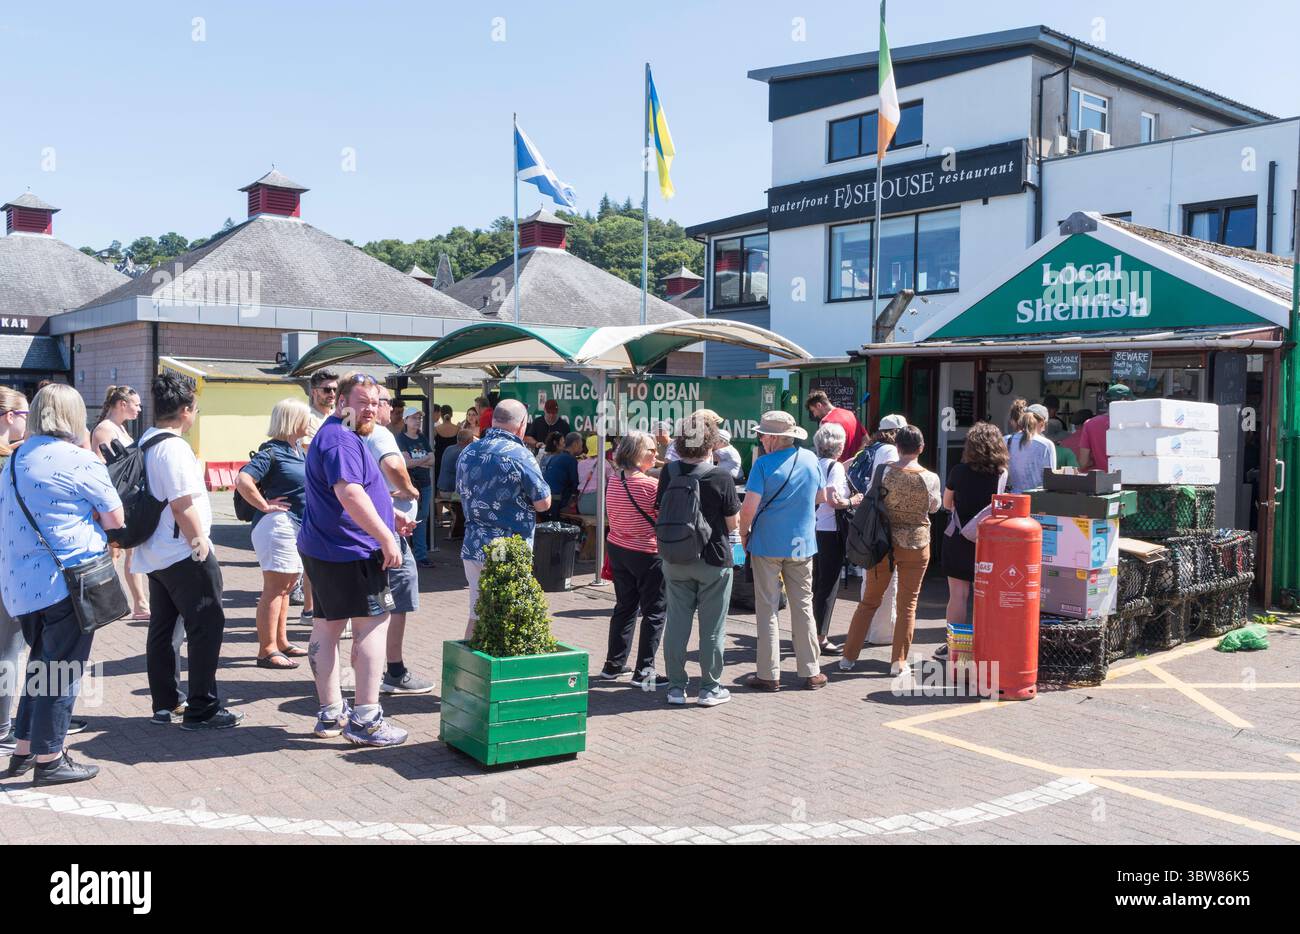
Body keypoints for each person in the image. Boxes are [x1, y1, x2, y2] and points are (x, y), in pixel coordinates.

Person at [0, 385, 124, 784]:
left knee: (41, 664)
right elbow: (115, 519)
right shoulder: (80, 460)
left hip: (21, 585)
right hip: (68, 583)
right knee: (62, 670)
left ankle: (23, 748)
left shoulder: (15, 458)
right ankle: (50, 758)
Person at [298, 372, 409, 746]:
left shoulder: (335, 435)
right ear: (342, 402)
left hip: (327, 548)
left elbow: (354, 493)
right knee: (372, 625)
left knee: (327, 628)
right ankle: (366, 720)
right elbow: (349, 494)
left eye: (375, 402)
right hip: (353, 551)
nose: (371, 409)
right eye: (362, 402)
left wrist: (388, 516)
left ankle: (331, 713)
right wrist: (385, 537)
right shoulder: (342, 439)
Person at [135, 372, 242, 731]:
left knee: (163, 629)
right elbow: (183, 505)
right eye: (195, 408)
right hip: (182, 551)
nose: (195, 415)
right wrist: (201, 546)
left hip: (154, 551)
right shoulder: (175, 448)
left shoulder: (146, 441)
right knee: (206, 626)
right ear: (184, 410)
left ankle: (165, 703)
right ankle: (203, 707)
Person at [839, 425, 941, 680]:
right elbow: (934, 507)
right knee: (908, 604)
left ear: (897, 447)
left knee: (869, 602)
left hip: (882, 542)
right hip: (916, 544)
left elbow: (875, 500)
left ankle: (848, 657)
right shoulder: (930, 478)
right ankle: (898, 661)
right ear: (921, 448)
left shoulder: (884, 471)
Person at [739, 411, 827, 692]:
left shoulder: (762, 465)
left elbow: (749, 508)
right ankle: (812, 670)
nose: (761, 439)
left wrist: (743, 534)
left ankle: (768, 673)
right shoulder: (811, 459)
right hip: (802, 543)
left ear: (775, 438)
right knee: (803, 605)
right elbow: (821, 497)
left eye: (763, 434)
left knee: (767, 607)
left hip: (766, 543)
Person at [657, 414, 741, 707]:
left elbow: (660, 508)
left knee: (677, 624)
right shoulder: (721, 477)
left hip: (675, 555)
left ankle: (676, 687)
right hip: (713, 559)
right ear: (711, 443)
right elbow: (733, 524)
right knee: (713, 627)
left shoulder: (669, 472)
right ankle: (709, 688)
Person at [456, 398, 552, 639]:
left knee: (477, 615)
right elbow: (543, 503)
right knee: (509, 616)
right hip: (508, 548)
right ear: (521, 425)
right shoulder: (521, 456)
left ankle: (469, 673)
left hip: (473, 546)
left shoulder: (468, 451)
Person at [366, 388, 434, 695]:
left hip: (365, 525)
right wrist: (410, 489)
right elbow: (394, 467)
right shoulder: (379, 434)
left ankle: (372, 670)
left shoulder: (341, 432)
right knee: (396, 595)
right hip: (384, 531)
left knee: (370, 603)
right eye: (387, 402)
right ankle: (390, 671)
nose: (391, 408)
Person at [236, 398, 311, 670]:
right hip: (277, 526)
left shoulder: (297, 450)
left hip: (292, 526)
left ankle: (281, 641)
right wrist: (265, 505)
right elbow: (243, 479)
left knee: (286, 587)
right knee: (275, 588)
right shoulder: (273, 451)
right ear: (293, 421)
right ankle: (266, 650)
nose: (309, 422)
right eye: (305, 417)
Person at [600, 431, 667, 687]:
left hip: (618, 548)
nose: (656, 454)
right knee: (654, 612)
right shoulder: (650, 486)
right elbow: (661, 519)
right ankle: (644, 671)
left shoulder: (615, 479)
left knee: (625, 606)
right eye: (651, 450)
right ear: (637, 453)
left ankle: (613, 665)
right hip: (647, 553)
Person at [940, 423, 1009, 659]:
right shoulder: (1001, 474)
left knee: (958, 596)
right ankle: (984, 644)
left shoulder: (958, 471)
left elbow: (946, 504)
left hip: (958, 540)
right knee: (984, 595)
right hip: (988, 543)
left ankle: (955, 648)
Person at [90, 385, 149, 620]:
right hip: (115, 500)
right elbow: (105, 468)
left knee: (131, 553)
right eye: (136, 404)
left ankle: (141, 605)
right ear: (122, 404)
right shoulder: (105, 429)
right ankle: (109, 604)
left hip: (127, 499)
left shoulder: (120, 428)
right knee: (114, 554)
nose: (139, 408)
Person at [811, 422, 860, 656]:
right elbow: (833, 499)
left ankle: (808, 632)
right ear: (840, 446)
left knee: (813, 584)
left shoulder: (812, 463)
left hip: (811, 529)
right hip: (830, 531)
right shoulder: (836, 468)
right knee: (828, 586)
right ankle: (820, 637)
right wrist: (854, 501)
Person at [0, 388, 30, 757]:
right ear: (9, 416)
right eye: (24, 413)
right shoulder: (10, 463)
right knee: (8, 648)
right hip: (8, 563)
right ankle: (3, 726)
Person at [395, 406, 436, 568]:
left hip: (424, 484)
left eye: (419, 418)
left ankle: (421, 555)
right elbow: (406, 463)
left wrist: (417, 462)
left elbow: (433, 460)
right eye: (413, 418)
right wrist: (423, 461)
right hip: (409, 485)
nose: (417, 421)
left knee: (422, 518)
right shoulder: (401, 439)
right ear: (405, 420)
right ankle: (404, 553)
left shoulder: (422, 438)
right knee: (406, 518)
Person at [1079, 384, 1134, 472]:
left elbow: (1083, 463)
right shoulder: (1134, 424)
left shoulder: (1090, 424)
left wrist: (1093, 461)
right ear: (1124, 400)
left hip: (1103, 481)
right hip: (1132, 479)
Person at [1007, 403, 1057, 493]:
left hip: (1011, 499)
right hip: (1037, 500)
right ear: (1042, 423)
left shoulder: (1007, 440)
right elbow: (1050, 479)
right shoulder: (1046, 444)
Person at [805, 390, 866, 461]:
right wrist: (855, 460)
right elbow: (866, 440)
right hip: (855, 467)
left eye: (813, 411)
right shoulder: (850, 414)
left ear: (819, 405)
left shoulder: (826, 422)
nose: (815, 415)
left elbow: (826, 454)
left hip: (837, 468)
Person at [542, 431, 584, 517]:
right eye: (581, 444)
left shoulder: (555, 457)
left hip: (545, 499)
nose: (582, 448)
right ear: (575, 443)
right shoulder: (570, 460)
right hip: (556, 502)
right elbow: (575, 484)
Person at [438, 428, 474, 493]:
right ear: (469, 441)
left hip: (442, 488)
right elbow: (468, 473)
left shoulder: (449, 448)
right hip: (451, 491)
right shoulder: (463, 453)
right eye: (472, 439)